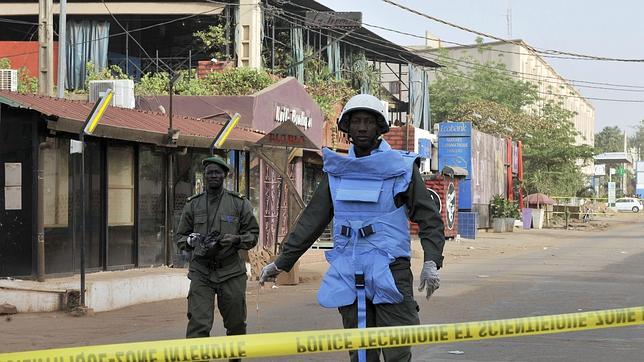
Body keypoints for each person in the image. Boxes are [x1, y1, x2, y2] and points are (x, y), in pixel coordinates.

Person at [259, 94, 445, 362]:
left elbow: (429, 219)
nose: (361, 127)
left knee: (397, 350)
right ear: (346, 127)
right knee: (360, 353)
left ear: (380, 127)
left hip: (391, 269)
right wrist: (282, 262)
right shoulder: (337, 170)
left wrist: (431, 262)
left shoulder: (401, 167)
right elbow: (312, 220)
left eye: (368, 121)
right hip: (349, 268)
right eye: (355, 121)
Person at [176, 155, 259, 352]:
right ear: (204, 176)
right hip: (201, 272)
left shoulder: (239, 203)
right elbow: (180, 237)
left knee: (237, 325)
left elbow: (253, 235)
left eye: (217, 172)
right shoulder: (193, 204)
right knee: (198, 325)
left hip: (231, 271)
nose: (213, 176)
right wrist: (191, 241)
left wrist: (236, 239)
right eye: (209, 173)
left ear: (225, 175)